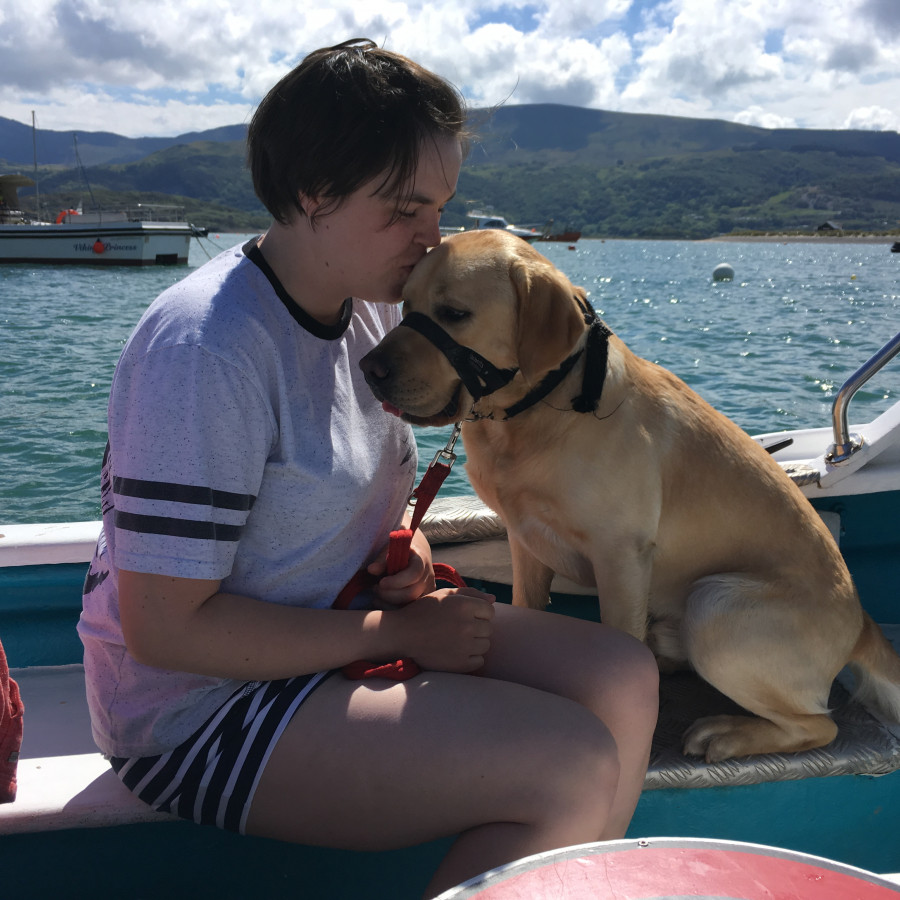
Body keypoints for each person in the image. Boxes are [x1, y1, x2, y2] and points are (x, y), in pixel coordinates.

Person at [78, 38, 658, 899]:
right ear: (314, 195)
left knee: (624, 674)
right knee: (569, 763)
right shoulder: (205, 350)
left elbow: (330, 503)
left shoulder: (366, 316)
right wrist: (397, 635)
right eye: (404, 211)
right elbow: (165, 631)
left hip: (324, 632)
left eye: (442, 208)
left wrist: (402, 559)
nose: (432, 241)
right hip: (196, 712)